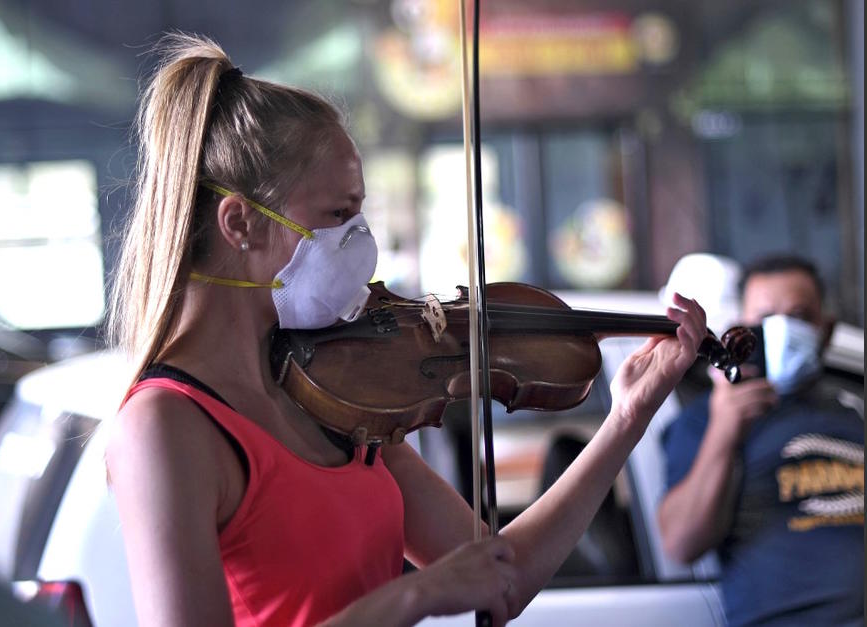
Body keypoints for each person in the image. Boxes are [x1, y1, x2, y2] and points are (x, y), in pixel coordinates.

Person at [105, 33, 709, 627]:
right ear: (240, 222)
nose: (361, 242)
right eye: (338, 215)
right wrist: (412, 597)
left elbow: (506, 577)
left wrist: (628, 416)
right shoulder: (165, 427)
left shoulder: (332, 391)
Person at [658, 255, 864, 627]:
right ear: (743, 330)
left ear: (827, 329)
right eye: (766, 319)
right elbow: (681, 543)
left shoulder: (853, 412)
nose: (783, 330)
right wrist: (725, 431)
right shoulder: (707, 420)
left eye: (799, 317)